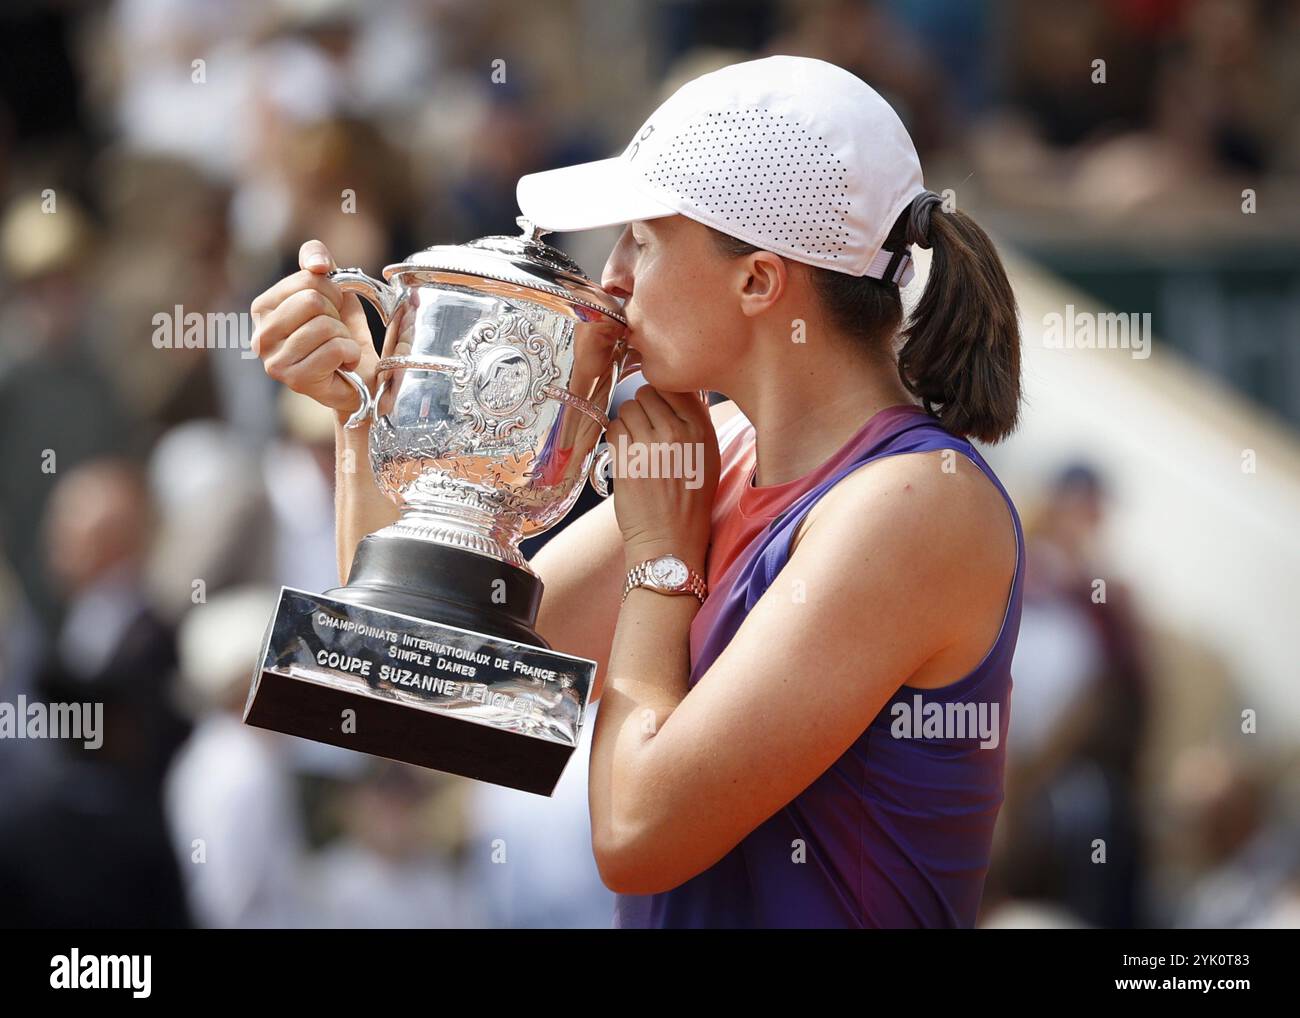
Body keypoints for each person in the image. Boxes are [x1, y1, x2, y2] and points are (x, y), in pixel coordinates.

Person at [250, 55, 1024, 929]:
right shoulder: (720, 452)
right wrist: (365, 409)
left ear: (760, 280)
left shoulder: (915, 501)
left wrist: (661, 568)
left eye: (643, 241)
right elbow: (419, 689)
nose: (611, 278)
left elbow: (635, 833)